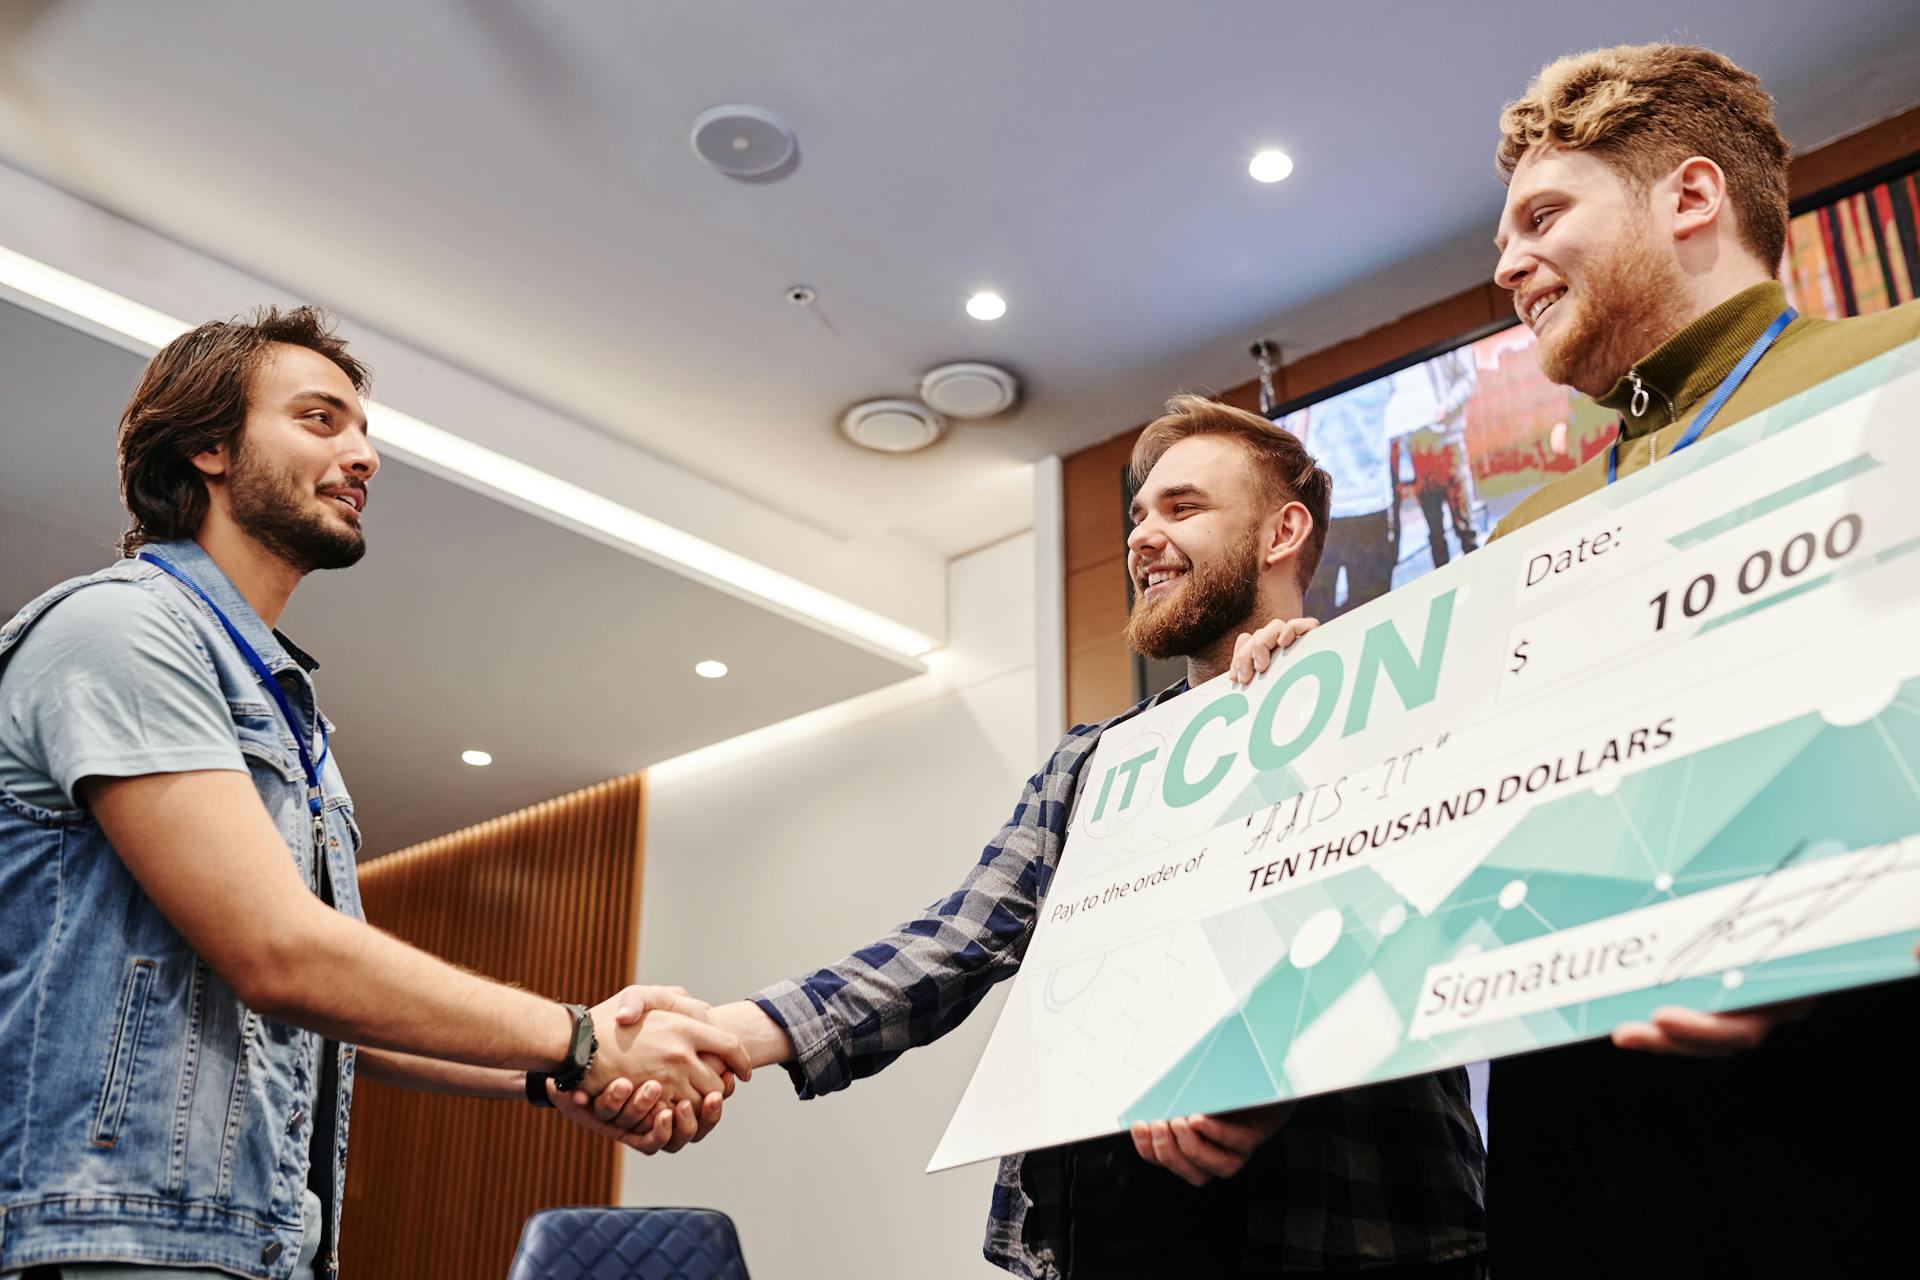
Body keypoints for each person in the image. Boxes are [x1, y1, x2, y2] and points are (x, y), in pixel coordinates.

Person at [566, 395, 1487, 1277]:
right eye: (1137, 514)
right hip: (1114, 1238)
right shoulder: (1095, 764)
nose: (1140, 536)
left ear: (1282, 533)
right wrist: (735, 1029)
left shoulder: (1404, 701)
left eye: (1183, 505)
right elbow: (957, 938)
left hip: (1358, 1236)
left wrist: (1291, 1073)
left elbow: (1451, 921)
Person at [0, 308, 749, 1280]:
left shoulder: (289, 713)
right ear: (207, 446)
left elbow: (319, 1003)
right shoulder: (119, 631)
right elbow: (280, 952)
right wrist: (576, 1038)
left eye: (364, 432)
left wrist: (550, 1067)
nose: (363, 455)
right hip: (106, 1241)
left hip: (252, 1245)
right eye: (320, 420)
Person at [1484, 43, 1920, 1276]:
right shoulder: (1516, 541)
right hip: (1563, 1155)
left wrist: (1854, 914)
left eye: (1543, 214)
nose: (1505, 262)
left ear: (1689, 196)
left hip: (1862, 1109)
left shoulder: (1904, 368)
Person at [1286, 380, 1400, 620]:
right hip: (1364, 505)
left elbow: (1296, 435)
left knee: (1313, 616)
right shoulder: (1383, 379)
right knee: (1374, 616)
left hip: (1328, 509)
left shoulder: (1313, 381)